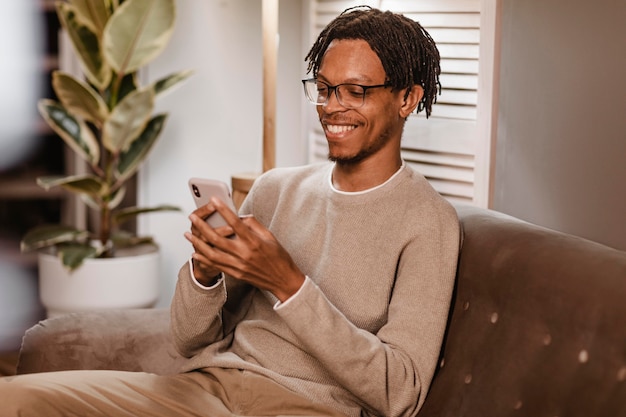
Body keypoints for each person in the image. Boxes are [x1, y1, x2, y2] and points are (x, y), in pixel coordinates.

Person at [0, 6, 459, 417]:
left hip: (303, 407)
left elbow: (400, 392)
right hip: (205, 389)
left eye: (355, 91)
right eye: (323, 88)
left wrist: (288, 283)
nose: (332, 106)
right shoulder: (276, 189)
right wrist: (204, 273)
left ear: (407, 99)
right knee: (13, 399)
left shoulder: (427, 222)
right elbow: (187, 340)